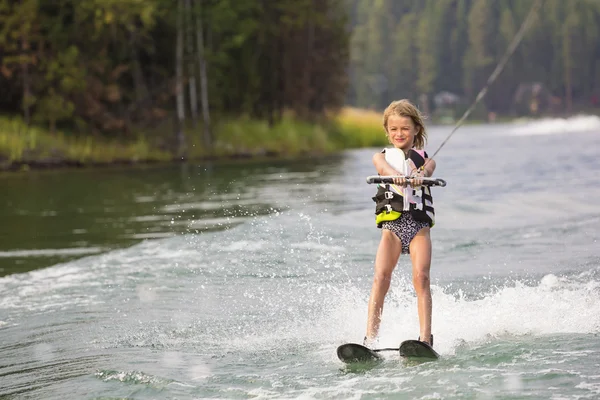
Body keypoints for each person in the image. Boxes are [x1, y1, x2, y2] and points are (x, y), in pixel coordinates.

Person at [364, 99, 437, 348]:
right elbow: (382, 168)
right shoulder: (380, 157)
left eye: (405, 128)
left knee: (422, 278)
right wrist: (394, 175)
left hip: (418, 229)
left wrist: (419, 176)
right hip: (392, 229)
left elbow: (428, 170)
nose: (399, 134)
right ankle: (370, 339)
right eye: (393, 129)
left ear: (416, 129)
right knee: (381, 278)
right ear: (387, 131)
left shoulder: (426, 159)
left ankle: (425, 339)